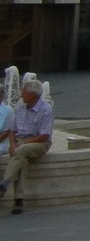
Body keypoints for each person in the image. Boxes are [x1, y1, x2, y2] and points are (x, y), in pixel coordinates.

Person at [1, 79, 52, 214]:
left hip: (40, 143)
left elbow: (44, 135)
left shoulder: (46, 109)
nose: (21, 95)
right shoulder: (20, 109)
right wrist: (12, 144)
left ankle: (5, 183)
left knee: (20, 151)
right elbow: (12, 130)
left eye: (24, 92)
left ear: (32, 95)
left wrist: (22, 144)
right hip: (21, 144)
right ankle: (19, 200)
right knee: (21, 159)